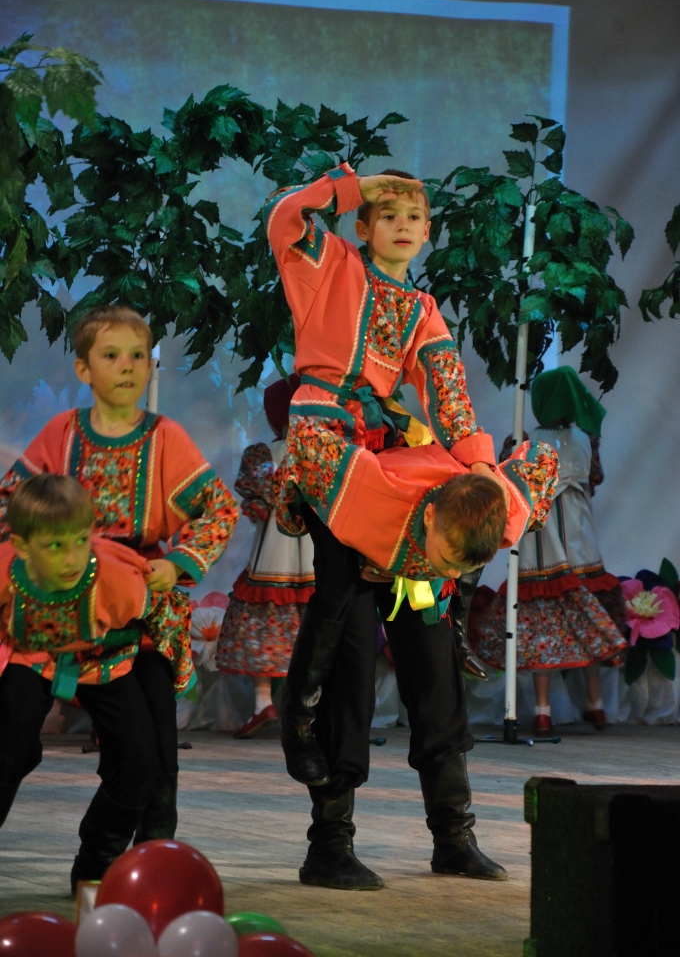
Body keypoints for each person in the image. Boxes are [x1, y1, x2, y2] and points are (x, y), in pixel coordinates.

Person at [266, 163, 557, 887]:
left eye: (415, 217)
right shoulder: (328, 266)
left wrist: (482, 471)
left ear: (427, 234)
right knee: (350, 653)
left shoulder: (424, 308)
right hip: (338, 463)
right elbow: (286, 221)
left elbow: (451, 400)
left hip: (396, 466)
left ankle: (453, 835)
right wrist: (353, 186)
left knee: (430, 651)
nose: (402, 224)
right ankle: (329, 843)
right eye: (387, 213)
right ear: (364, 225)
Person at [0, 305, 239, 856]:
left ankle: (125, 861)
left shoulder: (165, 437)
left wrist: (178, 564)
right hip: (55, 611)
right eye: (111, 355)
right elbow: (11, 503)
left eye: (138, 356)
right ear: (84, 369)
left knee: (150, 752)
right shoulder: (61, 434)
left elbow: (219, 509)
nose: (128, 366)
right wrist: (29, 562)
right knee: (10, 736)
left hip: (135, 612)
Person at [0, 475, 189, 890]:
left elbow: (165, 618)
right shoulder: (4, 571)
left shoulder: (119, 576)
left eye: (80, 541)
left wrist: (171, 678)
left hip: (105, 663)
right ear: (22, 545)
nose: (72, 557)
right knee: (6, 746)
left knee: (139, 762)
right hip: (31, 659)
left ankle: (95, 866)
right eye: (55, 546)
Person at [472, 366, 625, 737]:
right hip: (579, 541)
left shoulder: (523, 442)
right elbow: (595, 479)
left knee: (540, 623)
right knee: (586, 620)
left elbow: (506, 481)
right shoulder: (586, 439)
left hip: (540, 547)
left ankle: (542, 710)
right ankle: (595, 703)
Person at [216, 376, 315, 737]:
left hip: (271, 559)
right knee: (315, 630)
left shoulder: (262, 458)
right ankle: (308, 709)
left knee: (262, 624)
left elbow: (255, 503)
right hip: (314, 560)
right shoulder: (324, 455)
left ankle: (263, 703)